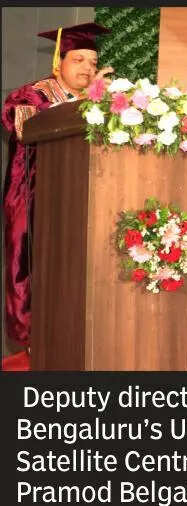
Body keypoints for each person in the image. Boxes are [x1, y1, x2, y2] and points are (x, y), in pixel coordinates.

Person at [2, 22, 111, 347]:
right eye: (78, 60)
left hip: (84, 197)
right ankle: (32, 338)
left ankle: (78, 336)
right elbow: (23, 128)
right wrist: (83, 104)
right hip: (33, 197)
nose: (88, 68)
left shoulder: (101, 100)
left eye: (93, 62)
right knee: (31, 267)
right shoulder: (30, 95)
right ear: (58, 63)